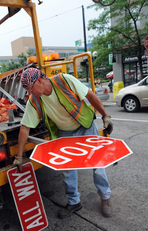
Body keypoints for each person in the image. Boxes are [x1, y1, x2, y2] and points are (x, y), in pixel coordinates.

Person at [13, 68, 114, 218]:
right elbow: (25, 127)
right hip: (65, 133)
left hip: (85, 126)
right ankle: (74, 202)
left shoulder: (65, 80)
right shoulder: (34, 100)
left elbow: (90, 95)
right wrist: (19, 156)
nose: (29, 93)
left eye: (30, 89)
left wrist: (105, 116)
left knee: (97, 164)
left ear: (39, 81)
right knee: (68, 170)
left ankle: (105, 197)